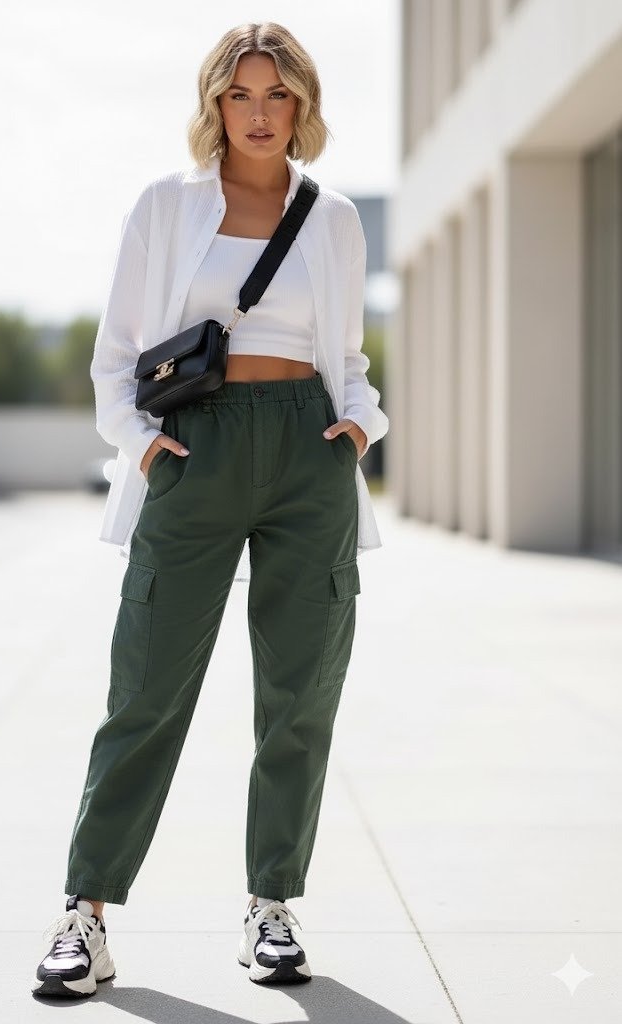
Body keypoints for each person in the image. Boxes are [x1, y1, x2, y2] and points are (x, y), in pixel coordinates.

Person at [32, 21, 389, 999]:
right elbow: (117, 358)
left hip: (309, 452)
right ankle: (84, 915)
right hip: (195, 451)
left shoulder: (333, 219)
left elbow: (348, 360)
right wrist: (142, 444)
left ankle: (272, 906)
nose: (260, 114)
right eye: (241, 95)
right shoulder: (166, 206)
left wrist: (359, 428)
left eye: (277, 95)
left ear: (302, 104)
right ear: (214, 104)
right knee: (146, 687)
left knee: (300, 694)